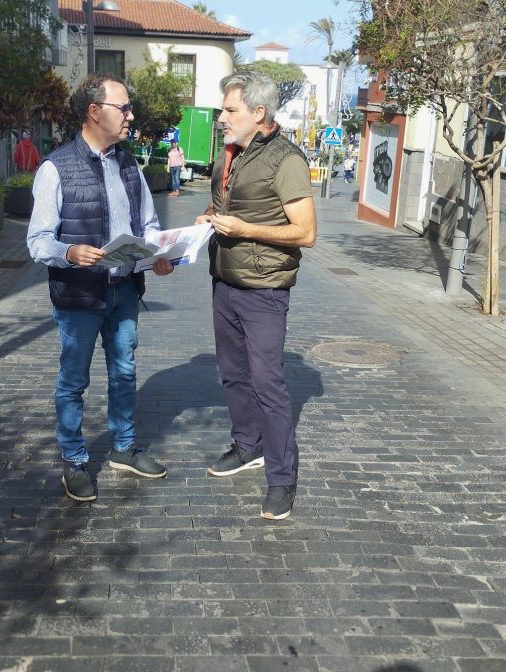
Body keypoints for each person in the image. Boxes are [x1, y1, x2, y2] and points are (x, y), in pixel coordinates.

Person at [27, 73, 175, 502]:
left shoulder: (129, 164)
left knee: (124, 373)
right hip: (79, 297)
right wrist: (70, 253)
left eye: (129, 108)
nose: (131, 115)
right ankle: (74, 461)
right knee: (73, 381)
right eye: (123, 108)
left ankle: (124, 449)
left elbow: (147, 225)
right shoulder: (56, 168)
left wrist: (160, 255)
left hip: (125, 290)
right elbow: (37, 241)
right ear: (95, 112)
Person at [194, 71, 317, 520]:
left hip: (264, 291)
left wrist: (245, 230)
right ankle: (248, 446)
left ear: (258, 113)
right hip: (223, 282)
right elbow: (225, 207)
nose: (221, 117)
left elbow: (305, 233)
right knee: (232, 375)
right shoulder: (230, 154)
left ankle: (281, 479)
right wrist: (206, 217)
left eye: (230, 110)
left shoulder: (287, 160)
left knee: (269, 385)